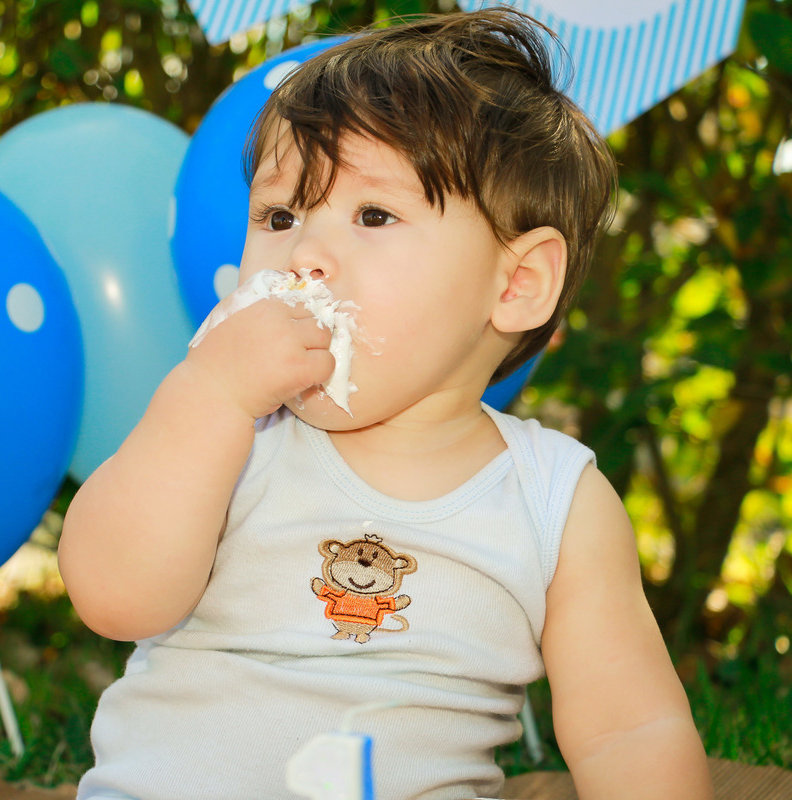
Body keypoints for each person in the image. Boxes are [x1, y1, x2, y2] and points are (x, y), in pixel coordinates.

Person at [58, 8, 713, 800]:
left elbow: (629, 728)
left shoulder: (552, 501)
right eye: (279, 216)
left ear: (517, 284)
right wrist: (209, 395)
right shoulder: (228, 433)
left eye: (373, 215)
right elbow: (114, 597)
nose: (305, 254)